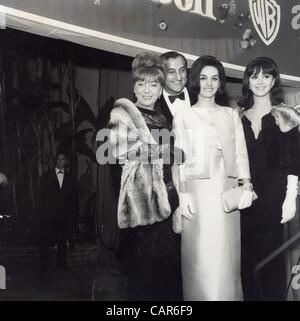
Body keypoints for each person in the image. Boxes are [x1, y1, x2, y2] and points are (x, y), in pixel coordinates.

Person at [172, 55, 254, 301]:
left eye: (214, 78)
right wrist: (182, 194)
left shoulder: (231, 115)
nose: (209, 83)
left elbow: (241, 155)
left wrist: (247, 186)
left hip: (226, 198)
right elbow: (179, 160)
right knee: (199, 260)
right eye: (203, 78)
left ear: (220, 84)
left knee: (226, 261)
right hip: (196, 197)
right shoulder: (183, 116)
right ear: (196, 81)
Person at [108, 52, 183, 300]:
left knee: (166, 277)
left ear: (161, 88)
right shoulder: (123, 112)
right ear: (134, 86)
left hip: (169, 201)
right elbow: (120, 153)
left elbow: (179, 156)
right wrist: (167, 151)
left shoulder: (166, 116)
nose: (147, 90)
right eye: (141, 84)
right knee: (142, 279)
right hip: (141, 204)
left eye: (153, 84)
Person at [238, 57, 299, 301]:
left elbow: (294, 160)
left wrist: (290, 198)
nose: (260, 81)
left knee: (271, 265)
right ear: (248, 81)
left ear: (274, 80)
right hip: (244, 199)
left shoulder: (287, 115)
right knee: (246, 265)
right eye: (254, 76)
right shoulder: (237, 116)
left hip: (274, 200)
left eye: (266, 76)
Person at [39, 152, 74, 272]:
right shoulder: (46, 176)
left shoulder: (70, 178)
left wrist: (72, 215)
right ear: (55, 161)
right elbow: (41, 197)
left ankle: (61, 263)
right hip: (48, 216)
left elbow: (73, 198)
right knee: (45, 241)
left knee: (62, 242)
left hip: (63, 216)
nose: (60, 161)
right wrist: (44, 213)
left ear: (66, 161)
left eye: (63, 159)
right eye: (58, 159)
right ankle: (43, 265)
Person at [159, 51, 191, 127]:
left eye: (182, 70)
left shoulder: (201, 97)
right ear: (161, 74)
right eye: (171, 72)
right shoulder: (154, 105)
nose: (179, 77)